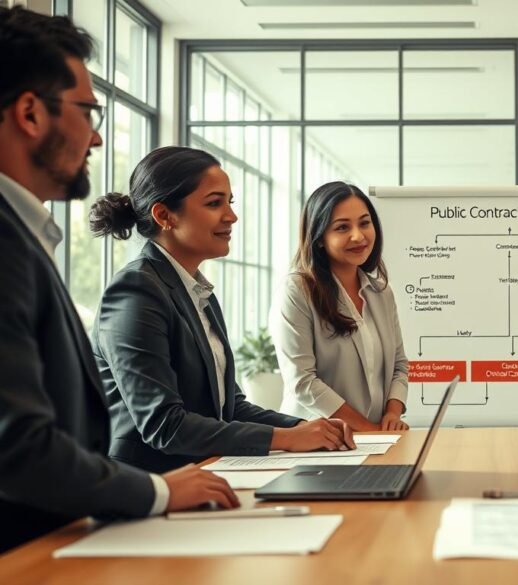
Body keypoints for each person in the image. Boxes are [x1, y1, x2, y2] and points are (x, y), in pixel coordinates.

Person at [0, 7, 238, 553]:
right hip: (34, 550)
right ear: (31, 114)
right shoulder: (10, 244)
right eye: (88, 111)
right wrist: (155, 492)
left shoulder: (25, 234)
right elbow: (18, 446)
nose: (98, 139)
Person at [90, 146, 355, 474]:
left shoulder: (198, 292)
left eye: (230, 202)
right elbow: (164, 425)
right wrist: (285, 438)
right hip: (149, 487)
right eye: (214, 203)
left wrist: (306, 428)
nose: (231, 216)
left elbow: (230, 408)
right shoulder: (135, 291)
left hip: (205, 475)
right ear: (164, 216)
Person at [271, 181, 409, 432]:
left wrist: (392, 411)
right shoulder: (297, 290)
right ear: (320, 237)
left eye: (364, 223)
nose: (358, 236)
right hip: (316, 440)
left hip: (375, 438)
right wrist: (368, 429)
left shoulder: (381, 292)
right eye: (342, 227)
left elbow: (399, 365)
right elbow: (302, 382)